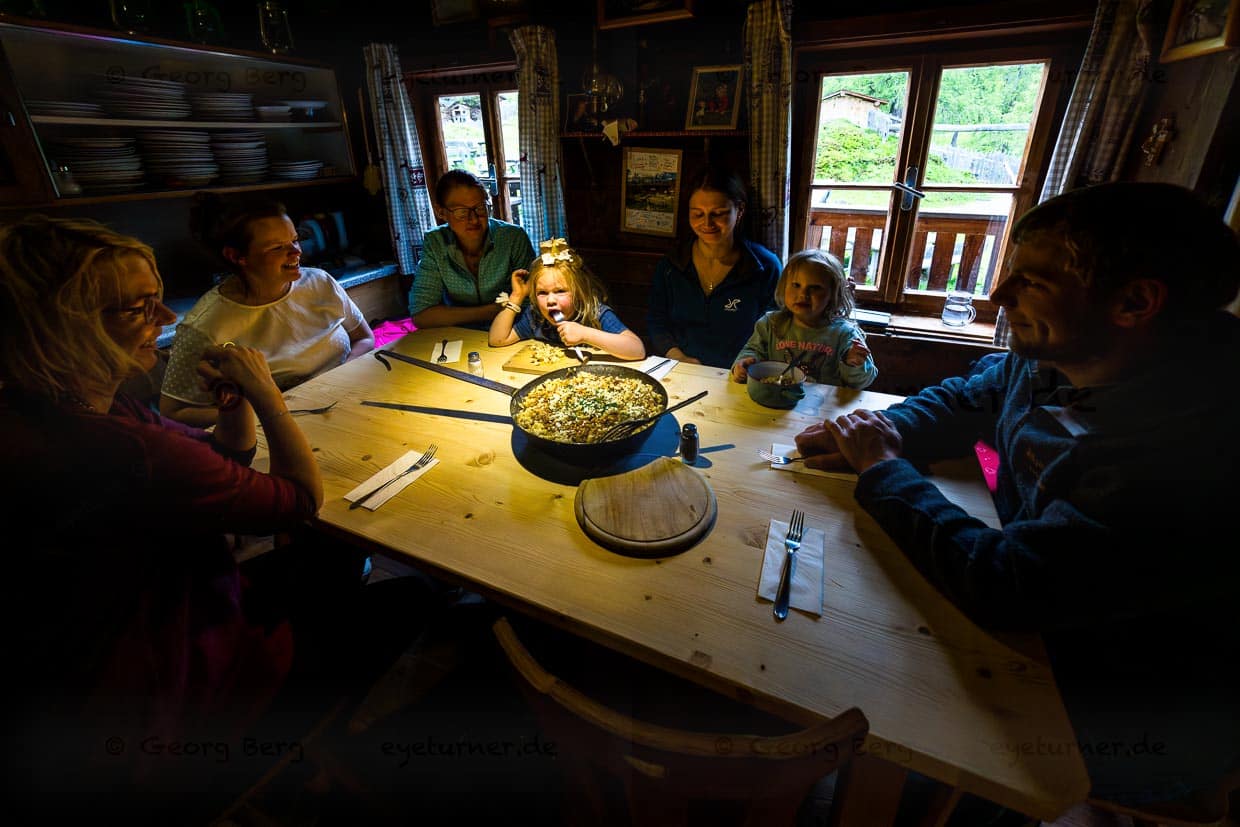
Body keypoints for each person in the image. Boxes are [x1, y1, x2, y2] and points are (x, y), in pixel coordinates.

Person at [792, 182, 1240, 813]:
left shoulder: (1190, 455)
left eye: (1032, 281)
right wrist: (891, 432)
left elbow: (1008, 586)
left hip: (1125, 721)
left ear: (1134, 302)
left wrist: (886, 471)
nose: (1000, 296)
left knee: (888, 738)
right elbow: (976, 393)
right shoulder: (1068, 353)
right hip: (1048, 626)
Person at [0, 217, 428, 822]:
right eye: (140, 308)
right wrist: (266, 396)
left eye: (158, 299)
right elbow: (297, 500)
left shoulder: (64, 408)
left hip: (105, 644)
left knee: (331, 557)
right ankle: (310, 754)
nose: (167, 320)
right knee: (415, 596)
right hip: (173, 682)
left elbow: (218, 459)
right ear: (64, 328)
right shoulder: (131, 452)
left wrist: (232, 407)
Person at [160, 196, 374, 427]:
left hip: (349, 398)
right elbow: (173, 413)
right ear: (237, 256)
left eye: (295, 240)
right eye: (277, 247)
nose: (296, 252)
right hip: (280, 428)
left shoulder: (320, 282)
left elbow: (364, 337)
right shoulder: (204, 326)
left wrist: (341, 376)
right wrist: (260, 414)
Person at [646, 164, 782, 368]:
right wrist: (679, 357)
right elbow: (657, 321)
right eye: (698, 214)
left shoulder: (765, 267)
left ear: (740, 210)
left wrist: (747, 364)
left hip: (742, 374)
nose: (707, 223)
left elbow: (773, 330)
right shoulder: (671, 265)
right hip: (682, 369)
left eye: (718, 213)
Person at [731, 248, 877, 388]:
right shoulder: (770, 324)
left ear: (833, 295)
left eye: (815, 288)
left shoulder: (846, 334)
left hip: (823, 409)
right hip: (776, 403)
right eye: (796, 285)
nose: (803, 294)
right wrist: (743, 364)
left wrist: (853, 363)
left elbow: (862, 382)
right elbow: (751, 351)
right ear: (783, 287)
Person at [410, 169, 536, 330]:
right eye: (462, 213)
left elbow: (529, 300)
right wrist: (491, 311)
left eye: (480, 208)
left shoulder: (512, 237)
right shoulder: (436, 243)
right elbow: (422, 314)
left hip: (512, 329)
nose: (474, 219)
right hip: (461, 333)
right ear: (441, 212)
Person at [489, 238, 646, 360]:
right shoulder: (535, 317)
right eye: (542, 293)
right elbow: (497, 339)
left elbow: (637, 350)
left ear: (579, 292)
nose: (550, 300)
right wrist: (516, 297)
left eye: (560, 291)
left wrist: (585, 334)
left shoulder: (594, 314)